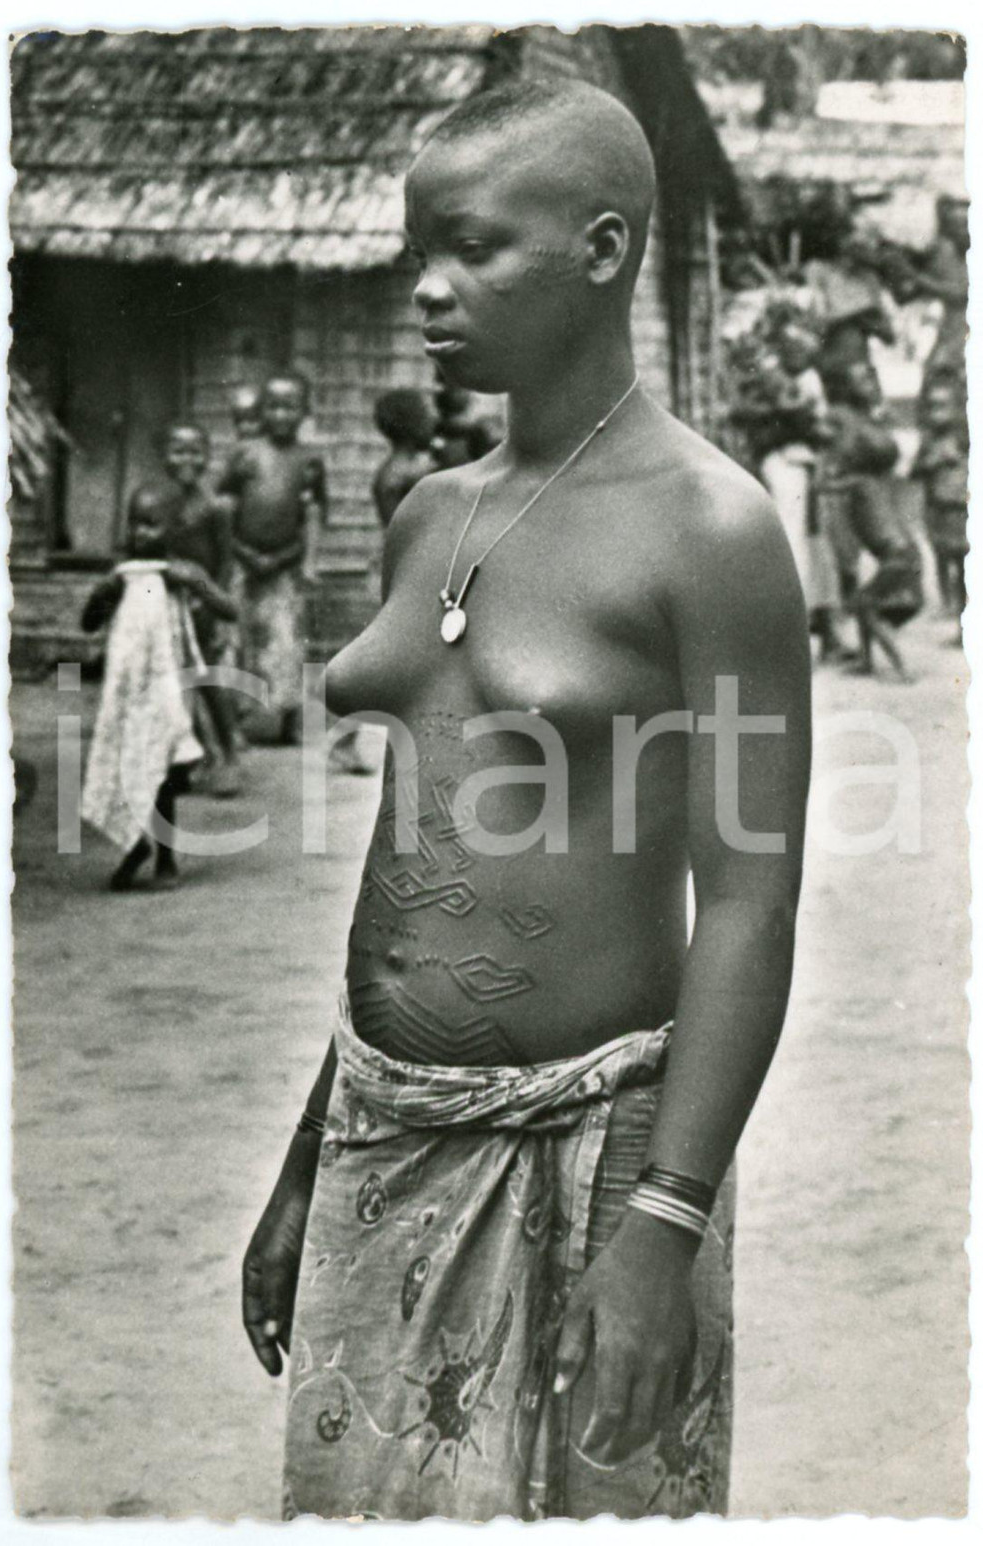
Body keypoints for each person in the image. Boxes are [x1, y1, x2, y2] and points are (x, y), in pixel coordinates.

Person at [243, 79, 810, 1523]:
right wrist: (314, 1154)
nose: (429, 287)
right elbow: (411, 847)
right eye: (418, 249)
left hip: (595, 1153)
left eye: (476, 246)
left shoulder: (711, 529)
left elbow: (748, 900)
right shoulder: (432, 510)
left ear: (604, 249)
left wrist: (662, 1227)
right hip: (384, 1122)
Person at [80, 493, 238, 890]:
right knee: (131, 767)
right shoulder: (123, 575)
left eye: (151, 524)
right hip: (131, 694)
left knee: (164, 773)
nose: (139, 533)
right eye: (135, 523)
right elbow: (89, 624)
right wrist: (102, 594)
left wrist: (196, 584)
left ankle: (163, 857)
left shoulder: (182, 572)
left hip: (169, 691)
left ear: (172, 531)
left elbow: (230, 609)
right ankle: (135, 846)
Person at [132, 421, 243, 798]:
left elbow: (226, 562)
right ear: (164, 456)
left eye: (196, 451)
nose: (187, 459)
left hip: (203, 600)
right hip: (163, 601)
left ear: (208, 456)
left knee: (208, 678)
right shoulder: (152, 501)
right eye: (179, 451)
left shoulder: (215, 506)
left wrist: (214, 598)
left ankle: (228, 754)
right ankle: (189, 756)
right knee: (169, 679)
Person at [218, 373, 327, 745]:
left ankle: (292, 720)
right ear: (261, 410)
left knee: (288, 645)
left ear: (305, 411)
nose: (281, 415)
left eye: (290, 407)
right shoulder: (244, 455)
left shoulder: (308, 460)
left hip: (284, 567)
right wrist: (239, 553)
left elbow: (313, 515)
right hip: (242, 564)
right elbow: (224, 507)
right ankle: (231, 725)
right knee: (235, 641)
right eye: (273, 406)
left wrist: (301, 560)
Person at [822, 362, 920, 680]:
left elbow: (823, 484)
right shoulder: (875, 480)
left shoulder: (859, 481)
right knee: (864, 602)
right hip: (904, 554)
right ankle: (867, 662)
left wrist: (826, 471)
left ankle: (902, 669)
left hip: (897, 556)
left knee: (865, 606)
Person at [757, 319, 842, 661]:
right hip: (787, 462)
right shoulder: (775, 380)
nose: (800, 355)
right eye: (792, 349)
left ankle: (820, 628)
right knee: (795, 544)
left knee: (815, 545)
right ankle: (799, 630)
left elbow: (817, 425)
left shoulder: (806, 380)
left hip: (805, 464)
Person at [912, 373, 968, 623]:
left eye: (943, 406)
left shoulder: (965, 435)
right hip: (936, 505)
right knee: (941, 553)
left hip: (959, 505)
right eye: (932, 406)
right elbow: (913, 471)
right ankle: (947, 601)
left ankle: (962, 607)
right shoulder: (929, 439)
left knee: (963, 556)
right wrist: (931, 461)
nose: (937, 412)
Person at [372, 389, 437, 527]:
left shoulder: (401, 471)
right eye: (426, 417)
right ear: (413, 424)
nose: (433, 422)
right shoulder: (396, 478)